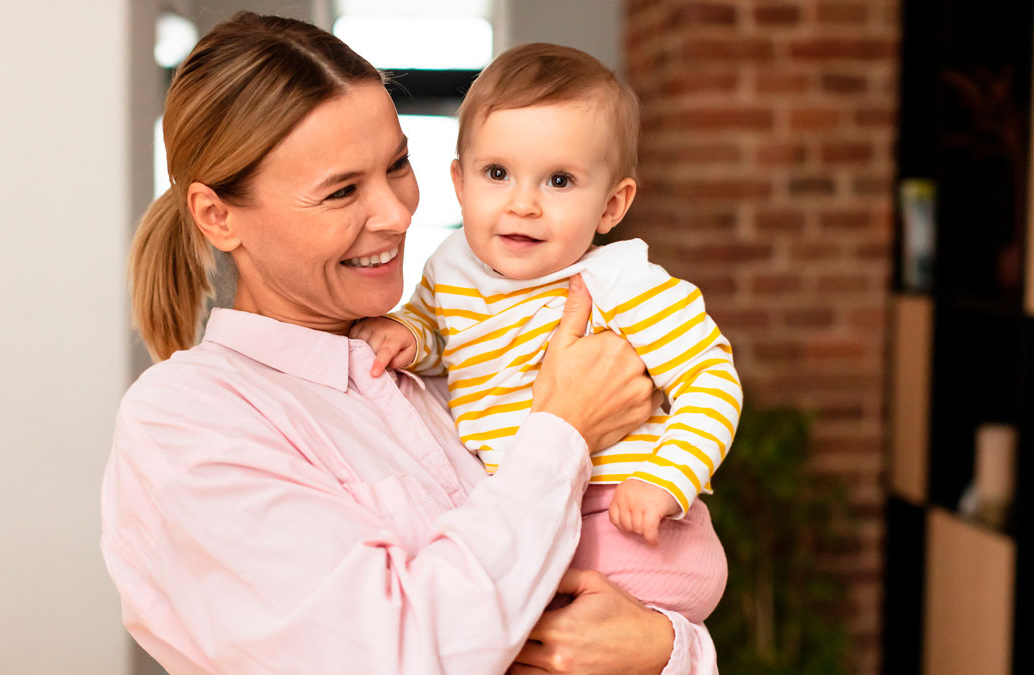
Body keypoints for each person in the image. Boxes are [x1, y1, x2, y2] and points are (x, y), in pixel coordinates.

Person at [101, 12, 720, 674]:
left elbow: (608, 609)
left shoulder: (447, 362)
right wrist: (562, 428)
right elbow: (390, 656)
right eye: (342, 191)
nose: (398, 214)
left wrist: (664, 647)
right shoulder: (188, 421)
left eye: (398, 164)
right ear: (218, 216)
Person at [350, 44, 740, 625]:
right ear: (459, 182)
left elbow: (711, 378)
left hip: (620, 517)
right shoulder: (449, 266)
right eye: (497, 173)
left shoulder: (622, 281)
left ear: (611, 206)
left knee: (513, 616)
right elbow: (438, 332)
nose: (523, 205)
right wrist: (406, 334)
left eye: (559, 181)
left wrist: (666, 478)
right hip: (528, 510)